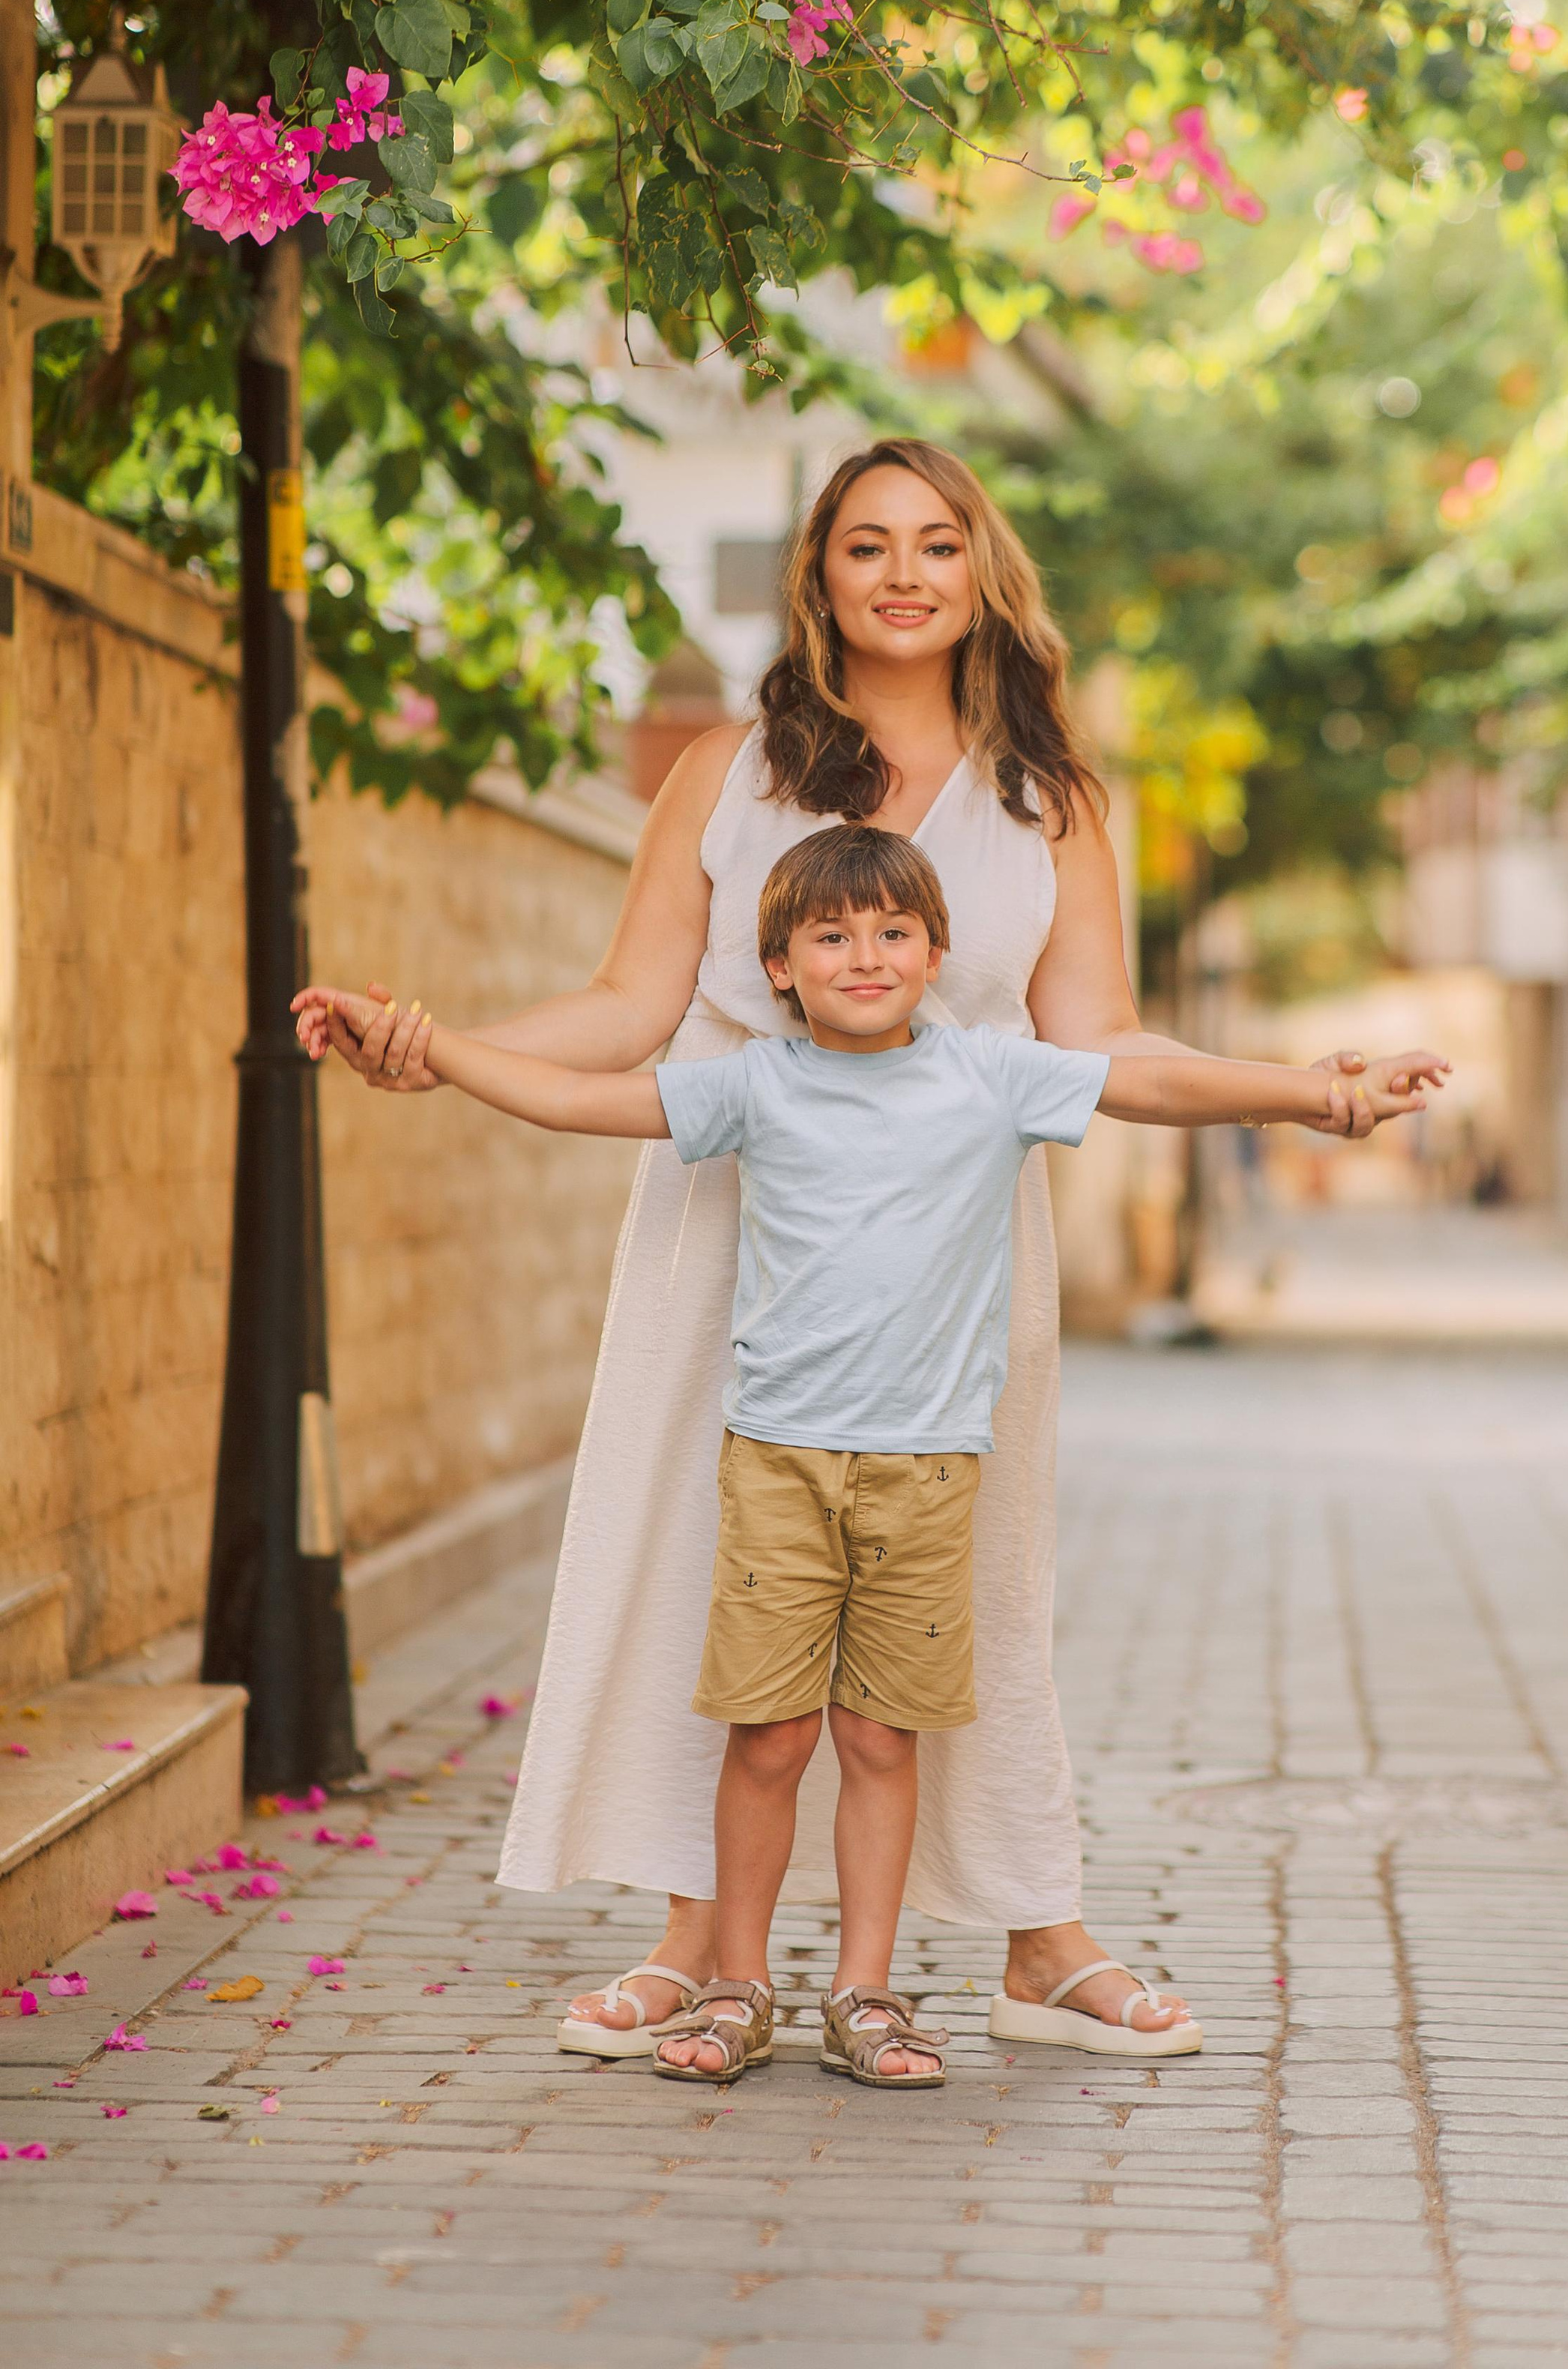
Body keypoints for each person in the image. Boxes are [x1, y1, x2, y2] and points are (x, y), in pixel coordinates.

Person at [294, 435, 1413, 2064]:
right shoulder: (731, 770)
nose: (902, 573)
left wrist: (1310, 1096)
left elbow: (1102, 1044)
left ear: (982, 575)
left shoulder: (1049, 797)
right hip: (733, 1219)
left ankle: (1036, 1933)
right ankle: (703, 1940)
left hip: (957, 1258)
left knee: (965, 1597)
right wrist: (437, 1040)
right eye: (866, 544)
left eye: (937, 543)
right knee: (710, 1578)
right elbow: (630, 1010)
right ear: (817, 574)